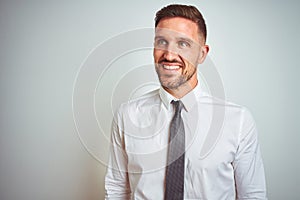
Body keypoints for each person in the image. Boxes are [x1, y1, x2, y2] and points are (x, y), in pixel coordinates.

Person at [105, 4, 267, 200]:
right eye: (162, 42)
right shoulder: (127, 115)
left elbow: (252, 196)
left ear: (202, 53)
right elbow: (116, 190)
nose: (169, 55)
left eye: (183, 43)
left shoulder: (238, 121)